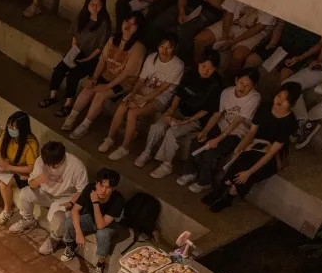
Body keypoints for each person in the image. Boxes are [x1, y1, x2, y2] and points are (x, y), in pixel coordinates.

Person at [201, 83, 301, 212]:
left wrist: (248, 173)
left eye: (286, 99)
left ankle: (230, 195)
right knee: (242, 158)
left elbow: (272, 152)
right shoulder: (265, 108)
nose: (280, 101)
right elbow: (252, 132)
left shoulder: (290, 122)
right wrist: (239, 148)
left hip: (273, 154)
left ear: (292, 103)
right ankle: (223, 188)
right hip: (256, 143)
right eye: (279, 96)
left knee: (249, 168)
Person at [98, 32, 185, 161]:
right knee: (122, 106)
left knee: (133, 113)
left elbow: (162, 89)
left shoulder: (178, 65)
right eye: (162, 46)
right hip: (142, 92)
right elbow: (141, 80)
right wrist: (132, 95)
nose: (164, 50)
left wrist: (140, 101)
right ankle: (109, 139)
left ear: (175, 48)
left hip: (160, 98)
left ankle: (124, 148)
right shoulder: (152, 58)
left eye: (169, 47)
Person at [138, 51, 223, 178]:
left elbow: (206, 110)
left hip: (196, 119)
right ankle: (147, 152)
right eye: (203, 66)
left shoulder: (216, 83)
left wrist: (185, 122)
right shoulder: (190, 73)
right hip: (180, 111)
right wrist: (171, 111)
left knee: (171, 133)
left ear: (215, 69)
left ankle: (167, 165)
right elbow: (178, 95)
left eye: (210, 69)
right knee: (157, 126)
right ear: (198, 64)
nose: (206, 71)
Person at [177, 67, 262, 193]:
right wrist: (205, 131)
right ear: (236, 80)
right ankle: (190, 172)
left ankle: (205, 182)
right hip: (222, 125)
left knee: (211, 152)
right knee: (197, 141)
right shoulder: (227, 92)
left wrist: (218, 139)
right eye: (241, 83)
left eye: (248, 85)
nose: (243, 87)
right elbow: (217, 114)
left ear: (254, 86)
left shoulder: (254, 98)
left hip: (238, 132)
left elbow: (238, 121)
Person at [62, 13, 146, 136]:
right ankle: (72, 117)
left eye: (133, 24)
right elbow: (103, 60)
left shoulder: (138, 47)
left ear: (138, 29)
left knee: (100, 95)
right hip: (107, 74)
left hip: (124, 81)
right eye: (127, 21)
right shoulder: (113, 39)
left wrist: (107, 86)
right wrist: (95, 77)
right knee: (88, 88)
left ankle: (85, 125)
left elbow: (126, 73)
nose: (128, 26)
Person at [40, 0, 112, 117]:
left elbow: (100, 48)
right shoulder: (83, 15)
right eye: (92, 3)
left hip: (92, 57)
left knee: (73, 76)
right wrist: (73, 50)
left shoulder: (104, 22)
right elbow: (74, 34)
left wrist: (85, 59)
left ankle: (68, 103)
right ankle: (52, 95)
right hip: (77, 50)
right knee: (59, 69)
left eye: (98, 4)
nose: (95, 7)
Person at [10, 142, 89, 251]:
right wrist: (39, 180)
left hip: (65, 198)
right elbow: (31, 183)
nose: (51, 167)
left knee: (60, 216)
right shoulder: (41, 160)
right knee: (25, 193)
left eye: (54, 165)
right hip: (45, 194)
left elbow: (83, 191)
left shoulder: (76, 166)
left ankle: (55, 238)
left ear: (62, 159)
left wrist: (71, 203)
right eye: (48, 164)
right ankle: (28, 220)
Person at [56, 168, 125, 273]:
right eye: (101, 185)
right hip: (91, 219)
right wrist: (78, 233)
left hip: (109, 224)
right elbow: (75, 210)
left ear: (114, 189)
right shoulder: (90, 188)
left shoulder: (118, 200)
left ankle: (100, 265)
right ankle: (70, 245)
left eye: (108, 187)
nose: (103, 190)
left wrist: (95, 202)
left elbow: (101, 225)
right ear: (96, 183)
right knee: (69, 221)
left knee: (102, 234)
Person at [0, 111, 39, 224]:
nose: (11, 129)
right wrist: (2, 164)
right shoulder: (6, 135)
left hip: (21, 172)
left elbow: (30, 168)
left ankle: (7, 211)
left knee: (5, 184)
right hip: (6, 166)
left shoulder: (31, 143)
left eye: (14, 128)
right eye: (9, 126)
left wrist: (10, 167)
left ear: (22, 128)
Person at [193, 0, 276, 76]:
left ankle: (225, 80)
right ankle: (198, 69)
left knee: (237, 59)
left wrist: (233, 41)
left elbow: (258, 28)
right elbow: (229, 12)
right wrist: (225, 35)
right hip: (232, 23)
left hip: (253, 32)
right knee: (200, 40)